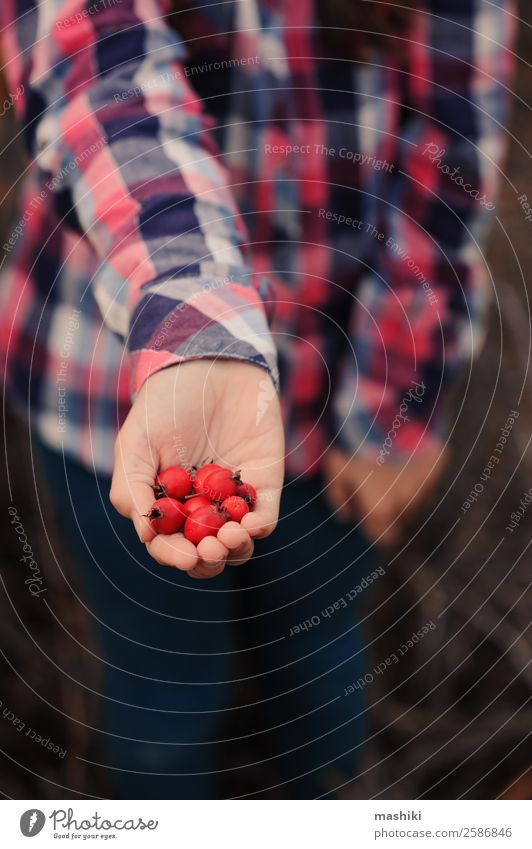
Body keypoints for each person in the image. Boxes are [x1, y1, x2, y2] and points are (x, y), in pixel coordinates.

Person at [0, 0, 514, 798]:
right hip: (108, 390)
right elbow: (98, 79)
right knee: (160, 687)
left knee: (319, 663)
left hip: (339, 388)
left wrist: (392, 405)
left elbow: (449, 153)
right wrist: (200, 328)